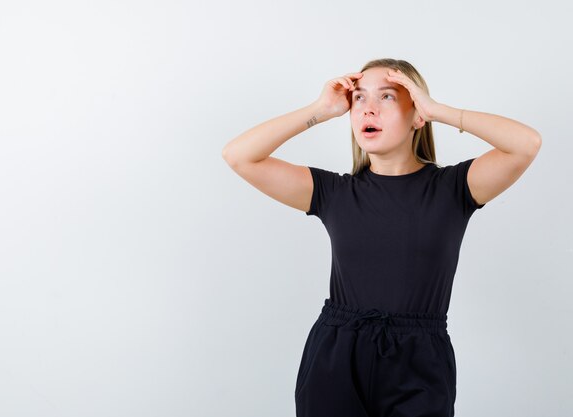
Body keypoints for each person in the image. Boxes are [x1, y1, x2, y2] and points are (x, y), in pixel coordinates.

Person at [221, 58, 541, 417]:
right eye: (359, 98)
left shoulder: (454, 189)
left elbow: (525, 144)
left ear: (417, 114)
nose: (368, 108)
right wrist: (319, 110)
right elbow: (239, 156)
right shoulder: (334, 193)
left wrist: (438, 110)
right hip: (336, 356)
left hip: (420, 362)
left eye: (387, 97)